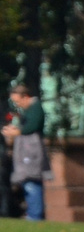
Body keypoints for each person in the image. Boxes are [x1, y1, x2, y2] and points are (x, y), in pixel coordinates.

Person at [4, 83, 46, 222]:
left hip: (31, 153)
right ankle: (32, 214)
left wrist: (16, 132)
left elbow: (32, 126)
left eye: (18, 101)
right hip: (26, 153)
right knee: (27, 183)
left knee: (31, 183)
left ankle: (35, 215)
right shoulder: (27, 111)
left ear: (25, 97)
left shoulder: (35, 108)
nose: (17, 104)